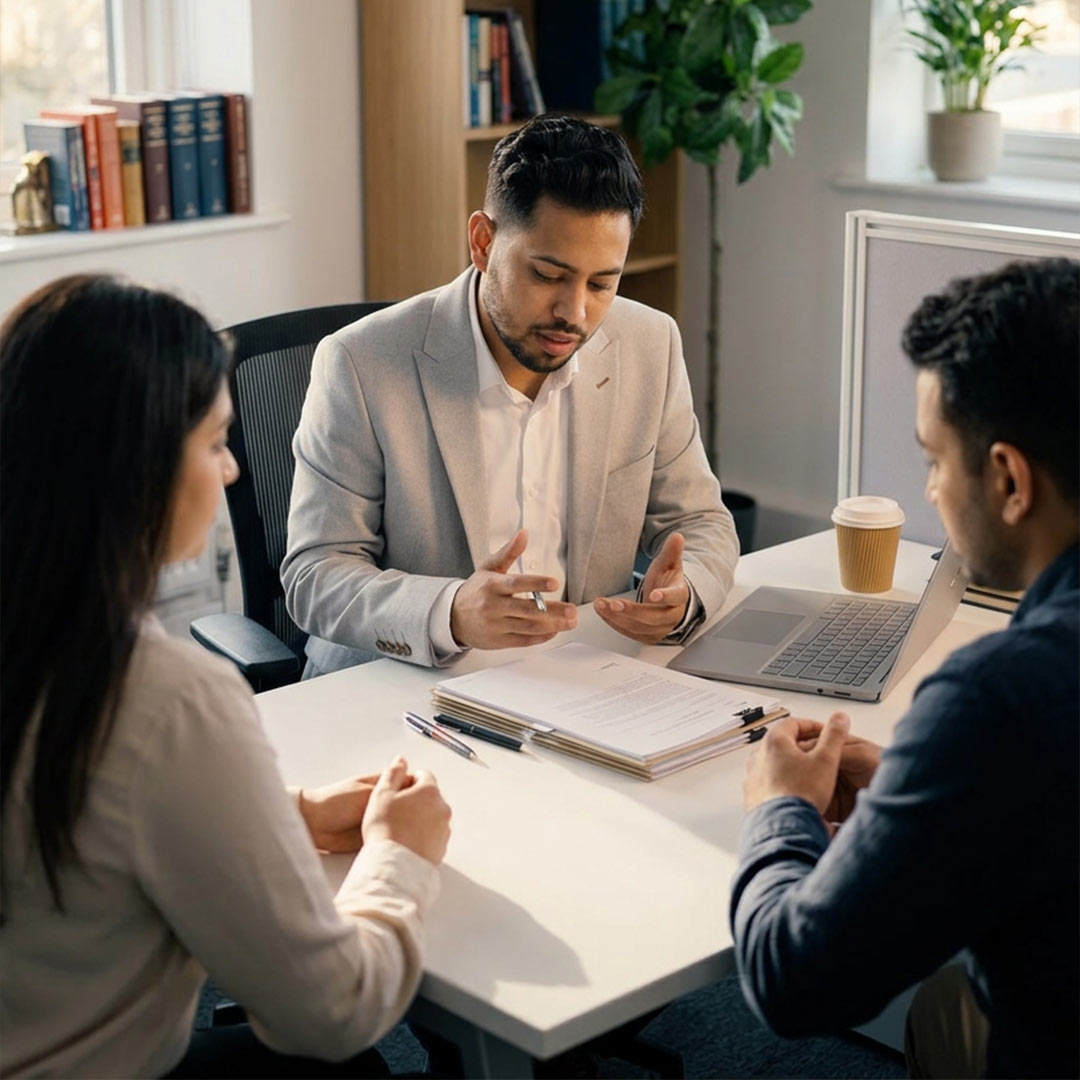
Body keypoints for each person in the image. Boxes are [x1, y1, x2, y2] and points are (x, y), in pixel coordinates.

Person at [0, 276, 452, 1078]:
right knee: (348, 1066)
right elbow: (333, 1010)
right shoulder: (162, 699)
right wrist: (399, 855)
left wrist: (291, 812)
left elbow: (88, 815)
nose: (234, 472)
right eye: (214, 443)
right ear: (134, 468)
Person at [730, 258, 1078, 1078]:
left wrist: (778, 808)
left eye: (932, 460)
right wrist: (930, 786)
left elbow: (793, 983)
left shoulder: (1000, 695)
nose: (928, 492)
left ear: (1008, 479)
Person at [283, 115, 738, 678]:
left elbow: (701, 520)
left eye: (602, 284)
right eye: (548, 275)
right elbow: (316, 573)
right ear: (482, 242)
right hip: (405, 691)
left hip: (586, 682)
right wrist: (449, 613)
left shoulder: (649, 344)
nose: (575, 312)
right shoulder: (360, 363)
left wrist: (684, 593)